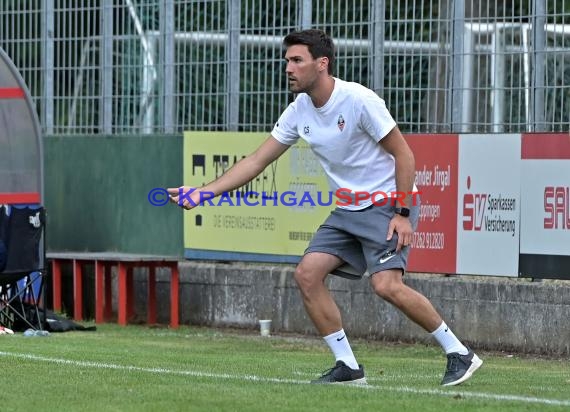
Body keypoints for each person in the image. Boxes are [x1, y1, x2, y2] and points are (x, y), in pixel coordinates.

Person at [168, 29, 482, 386]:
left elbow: (404, 154)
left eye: (296, 60)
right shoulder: (298, 110)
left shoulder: (358, 100)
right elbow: (257, 161)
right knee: (307, 274)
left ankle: (459, 353)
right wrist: (204, 193)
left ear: (322, 64)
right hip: (347, 210)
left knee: (386, 286)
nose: (288, 68)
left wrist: (403, 212)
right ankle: (347, 367)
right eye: (286, 60)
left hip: (385, 204)